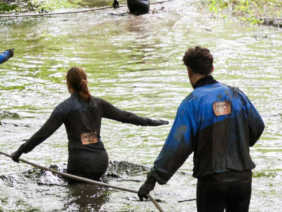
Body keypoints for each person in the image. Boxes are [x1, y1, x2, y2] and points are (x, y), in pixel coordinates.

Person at [138, 46, 265, 212]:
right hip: (243, 178)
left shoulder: (192, 103)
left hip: (212, 182)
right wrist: (239, 147)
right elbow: (257, 126)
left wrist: (153, 179)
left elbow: (176, 148)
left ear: (189, 72)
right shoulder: (236, 95)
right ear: (212, 68)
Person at [10, 67, 168, 182]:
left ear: (68, 85)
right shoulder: (98, 103)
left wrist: (20, 151)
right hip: (101, 162)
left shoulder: (65, 107)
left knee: (76, 203)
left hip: (79, 165)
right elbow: (126, 116)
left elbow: (43, 134)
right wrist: (153, 122)